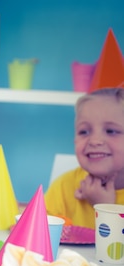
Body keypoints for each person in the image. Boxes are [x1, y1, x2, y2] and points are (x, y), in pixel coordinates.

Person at [45, 87, 124, 229]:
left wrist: (104, 207)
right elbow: (41, 233)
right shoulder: (63, 186)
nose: (94, 141)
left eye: (111, 131)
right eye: (84, 131)